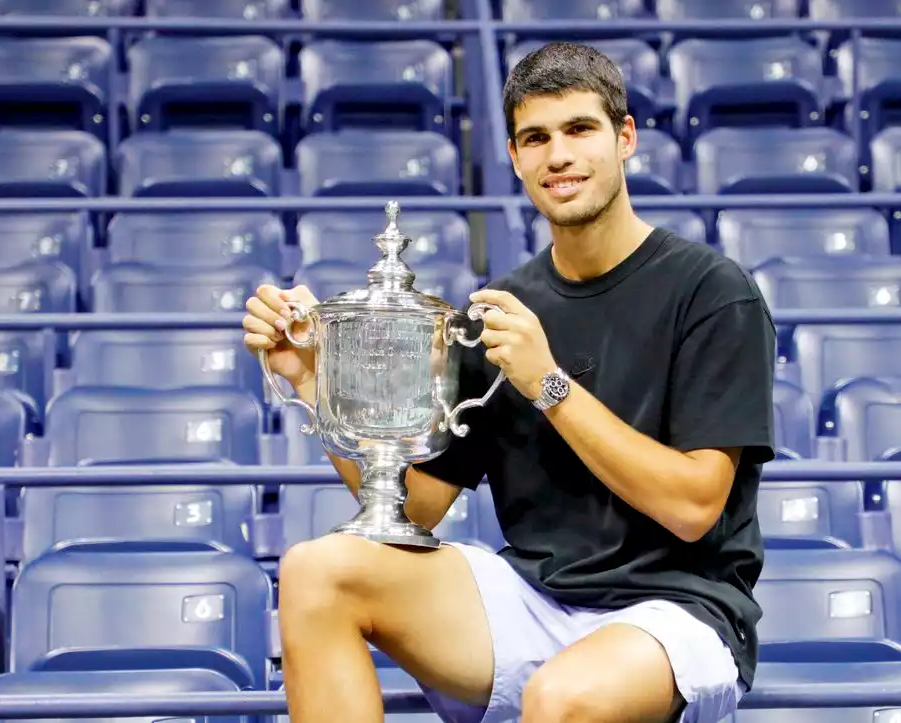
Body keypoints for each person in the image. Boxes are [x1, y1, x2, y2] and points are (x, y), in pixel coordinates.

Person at [242, 40, 776, 723]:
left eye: (580, 130)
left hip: (678, 612)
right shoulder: (502, 308)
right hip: (534, 599)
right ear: (517, 158)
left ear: (625, 138)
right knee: (318, 569)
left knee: (562, 696)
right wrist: (315, 379)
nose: (559, 155)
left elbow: (693, 505)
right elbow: (419, 505)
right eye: (535, 138)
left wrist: (549, 384)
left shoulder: (711, 291)